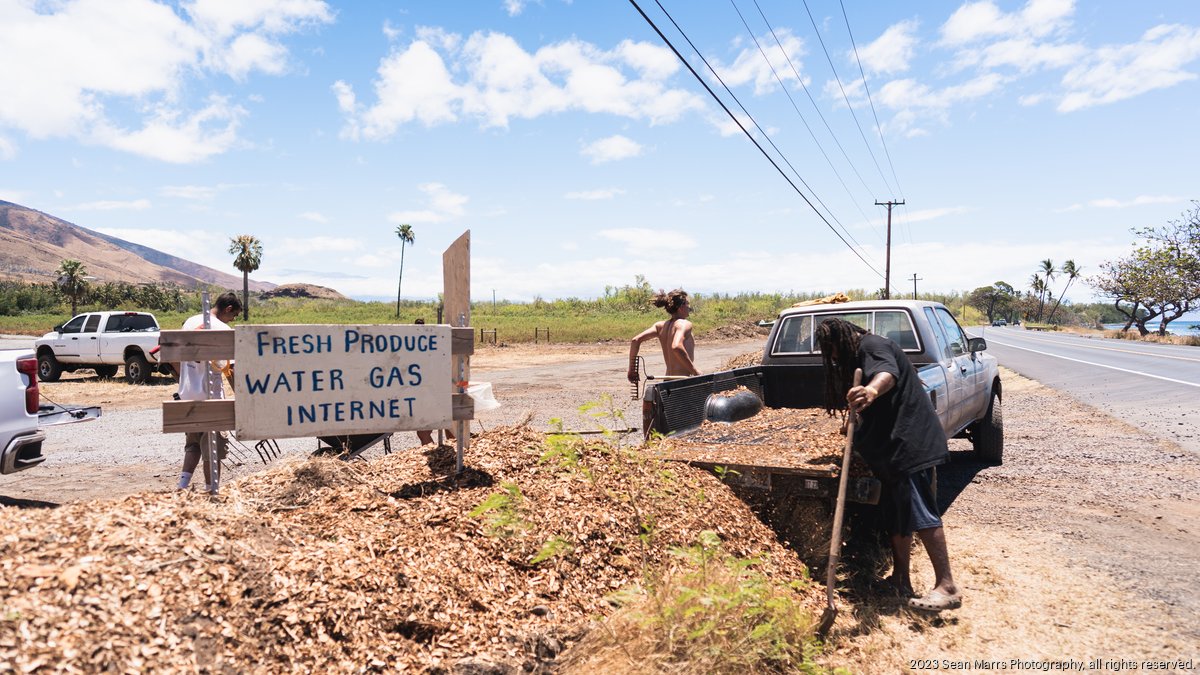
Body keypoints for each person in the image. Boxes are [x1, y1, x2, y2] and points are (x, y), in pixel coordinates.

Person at [814, 317, 961, 612]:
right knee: (898, 515)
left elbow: (886, 373)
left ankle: (947, 586)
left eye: (830, 349)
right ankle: (901, 580)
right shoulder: (857, 354)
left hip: (910, 444)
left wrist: (870, 391)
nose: (830, 357)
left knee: (920, 511)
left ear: (840, 340)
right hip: (891, 450)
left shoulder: (872, 346)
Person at [175, 292, 242, 491]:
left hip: (187, 394)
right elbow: (230, 369)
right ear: (228, 309)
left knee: (193, 444)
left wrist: (185, 381)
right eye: (234, 315)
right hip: (210, 396)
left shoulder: (189, 322)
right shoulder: (222, 329)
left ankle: (183, 484)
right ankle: (211, 489)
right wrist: (242, 394)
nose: (232, 319)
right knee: (213, 449)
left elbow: (174, 358)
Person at [627, 288, 700, 438]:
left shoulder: (661, 326)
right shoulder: (684, 324)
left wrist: (632, 370)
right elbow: (676, 346)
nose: (689, 309)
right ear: (681, 307)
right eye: (688, 305)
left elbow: (635, 340)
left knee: (670, 430)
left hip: (667, 383)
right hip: (683, 383)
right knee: (688, 430)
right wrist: (695, 372)